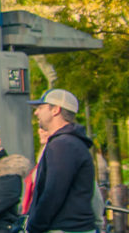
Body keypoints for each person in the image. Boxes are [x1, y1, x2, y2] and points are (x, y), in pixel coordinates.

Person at [26, 89, 96, 233]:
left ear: (56, 110)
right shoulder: (69, 142)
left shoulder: (63, 144)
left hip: (65, 228)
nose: (36, 113)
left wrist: (34, 226)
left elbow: (53, 192)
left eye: (40, 107)